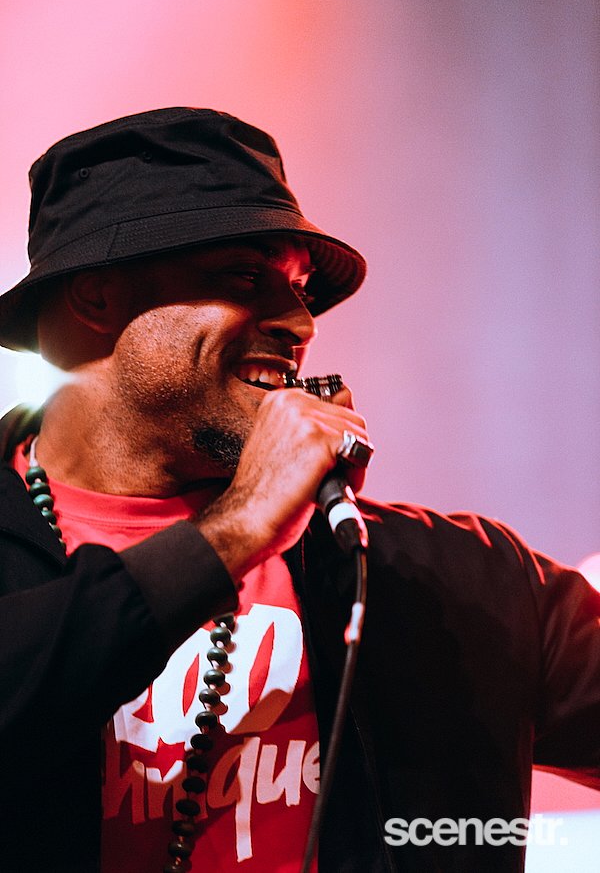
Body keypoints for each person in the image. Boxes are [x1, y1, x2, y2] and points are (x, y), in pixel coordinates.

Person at [0, 108, 598, 873]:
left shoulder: (453, 580)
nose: (299, 322)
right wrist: (236, 529)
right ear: (96, 298)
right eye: (244, 277)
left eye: (298, 287)